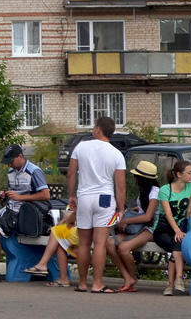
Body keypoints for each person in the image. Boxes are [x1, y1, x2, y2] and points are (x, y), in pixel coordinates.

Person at [0, 144, 50, 282]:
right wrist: (4, 195)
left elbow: (45, 195)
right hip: (8, 208)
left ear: (20, 156)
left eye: (11, 161)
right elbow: (13, 192)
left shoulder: (34, 171)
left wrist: (21, 197)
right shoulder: (11, 172)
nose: (9, 165)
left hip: (23, 212)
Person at [66, 115, 126, 293]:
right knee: (100, 243)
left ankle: (82, 283)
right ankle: (98, 284)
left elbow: (71, 174)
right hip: (105, 198)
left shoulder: (81, 147)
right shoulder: (116, 154)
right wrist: (121, 208)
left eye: (94, 127)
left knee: (84, 243)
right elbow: (120, 186)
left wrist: (71, 196)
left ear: (98, 129)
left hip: (84, 197)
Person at [110, 160, 161, 293]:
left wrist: (127, 221)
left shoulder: (155, 192)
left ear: (142, 178)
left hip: (151, 227)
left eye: (136, 176)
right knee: (109, 243)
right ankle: (127, 277)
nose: (134, 178)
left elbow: (148, 217)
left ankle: (132, 278)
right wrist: (130, 212)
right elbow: (142, 208)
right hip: (138, 225)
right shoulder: (144, 190)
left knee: (124, 248)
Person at [156, 160, 191, 296]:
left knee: (178, 244)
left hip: (179, 225)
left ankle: (171, 284)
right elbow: (167, 213)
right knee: (177, 247)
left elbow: (189, 210)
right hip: (163, 228)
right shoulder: (165, 190)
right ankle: (177, 280)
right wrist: (177, 230)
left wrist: (190, 228)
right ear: (179, 174)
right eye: (189, 172)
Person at [24, 210, 79, 287]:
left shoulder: (87, 198)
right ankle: (62, 278)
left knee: (57, 231)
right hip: (96, 231)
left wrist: (64, 221)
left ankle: (43, 264)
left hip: (87, 232)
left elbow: (76, 213)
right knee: (60, 241)